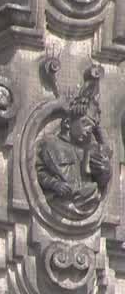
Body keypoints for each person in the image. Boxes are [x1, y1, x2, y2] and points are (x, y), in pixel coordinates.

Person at [35, 69, 113, 219]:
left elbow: (101, 177)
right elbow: (41, 172)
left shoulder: (87, 151)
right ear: (68, 123)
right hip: (60, 200)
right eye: (84, 124)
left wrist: (105, 171)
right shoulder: (50, 143)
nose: (88, 131)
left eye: (91, 128)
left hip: (85, 198)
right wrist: (54, 185)